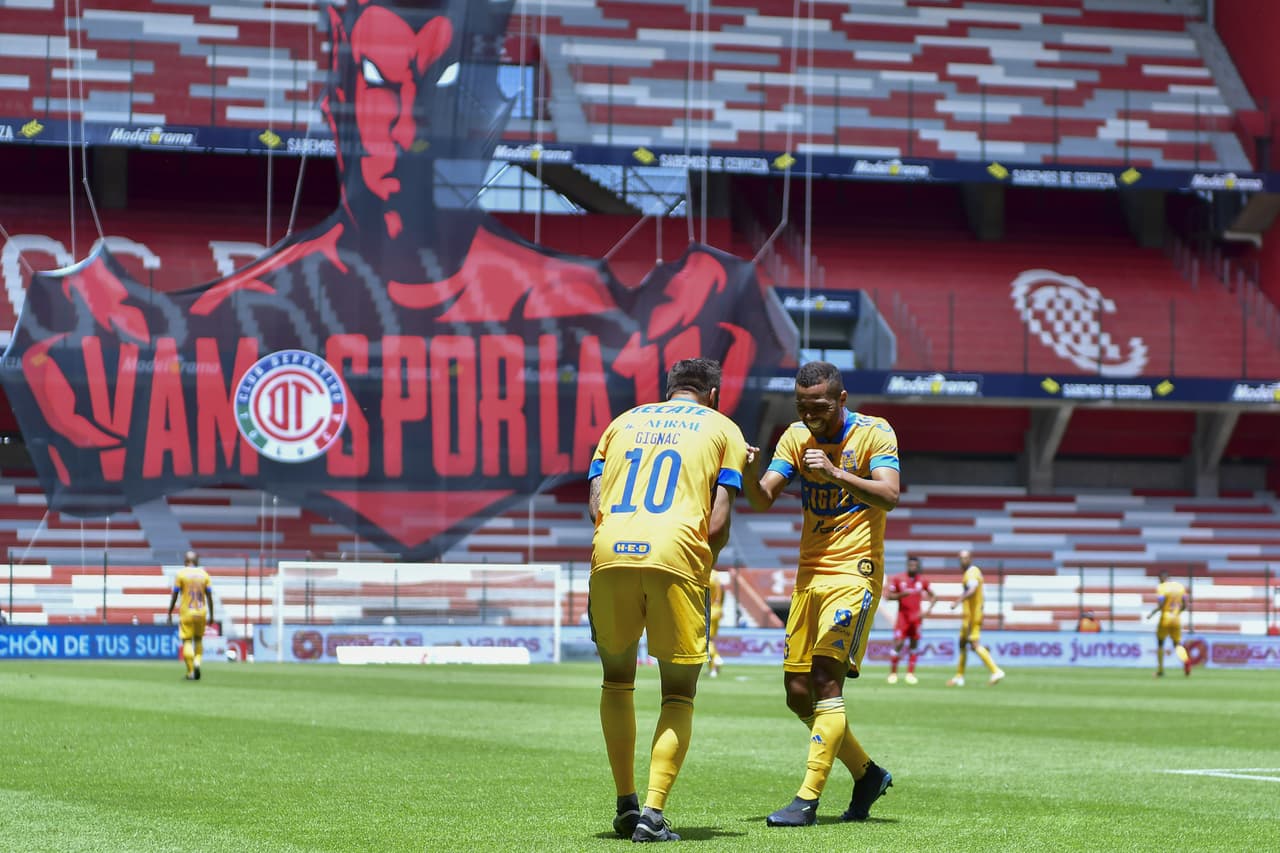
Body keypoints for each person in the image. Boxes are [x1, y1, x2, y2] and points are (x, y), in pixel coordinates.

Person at [2, 0, 793, 561]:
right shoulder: (232, 314)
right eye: (381, 84)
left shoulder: (589, 311)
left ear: (492, 114)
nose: (409, 122)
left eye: (441, 87)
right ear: (336, 102)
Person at [587, 358, 747, 843]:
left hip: (610, 549)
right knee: (678, 692)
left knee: (617, 680)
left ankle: (624, 805)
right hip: (676, 554)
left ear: (669, 390)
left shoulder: (623, 422)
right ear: (713, 393)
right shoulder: (724, 429)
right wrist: (702, 562)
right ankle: (653, 816)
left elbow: (595, 499)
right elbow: (717, 522)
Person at [742, 361, 899, 828]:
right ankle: (867, 775)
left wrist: (833, 472)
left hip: (856, 571)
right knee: (796, 694)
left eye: (820, 406)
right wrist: (750, 472)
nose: (810, 415)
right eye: (802, 406)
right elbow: (763, 498)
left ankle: (806, 800)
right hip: (809, 575)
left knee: (827, 679)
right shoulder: (794, 438)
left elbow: (889, 495)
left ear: (842, 400)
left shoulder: (875, 433)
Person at [947, 550, 1005, 687]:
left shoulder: (972, 573)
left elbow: (972, 589)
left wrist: (957, 601)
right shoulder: (971, 572)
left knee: (974, 644)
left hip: (973, 616)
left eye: (965, 558)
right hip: (969, 615)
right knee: (962, 643)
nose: (962, 560)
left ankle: (996, 671)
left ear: (970, 559)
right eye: (961, 558)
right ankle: (959, 676)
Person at [886, 556, 935, 685]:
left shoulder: (922, 581)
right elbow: (888, 597)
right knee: (899, 644)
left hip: (916, 619)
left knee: (914, 646)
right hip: (902, 618)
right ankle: (893, 673)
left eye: (915, 565)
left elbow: (934, 597)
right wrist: (902, 595)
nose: (912, 567)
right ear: (907, 565)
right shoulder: (899, 579)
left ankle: (910, 674)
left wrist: (928, 611)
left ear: (917, 566)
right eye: (910, 565)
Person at [168, 551, 214, 681]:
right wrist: (212, 614)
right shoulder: (204, 575)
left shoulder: (181, 574)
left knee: (187, 641)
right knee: (198, 639)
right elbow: (209, 596)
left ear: (185, 561)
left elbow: (175, 594)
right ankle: (197, 662)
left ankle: (190, 672)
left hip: (187, 612)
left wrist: (170, 612)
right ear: (196, 561)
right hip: (201, 612)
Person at [1145, 571, 1191, 677]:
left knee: (1160, 643)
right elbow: (1185, 604)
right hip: (1176, 618)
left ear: (1162, 578)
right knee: (1177, 644)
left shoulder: (1162, 587)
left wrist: (1152, 613)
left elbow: (1161, 604)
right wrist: (1178, 612)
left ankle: (1160, 670)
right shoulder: (1179, 586)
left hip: (1165, 618)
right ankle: (1186, 660)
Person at [708, 570, 726, 678]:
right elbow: (723, 592)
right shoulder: (716, 575)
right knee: (711, 640)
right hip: (717, 610)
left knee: (707, 640)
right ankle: (713, 669)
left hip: (708, 611)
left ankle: (716, 658)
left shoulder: (704, 572)